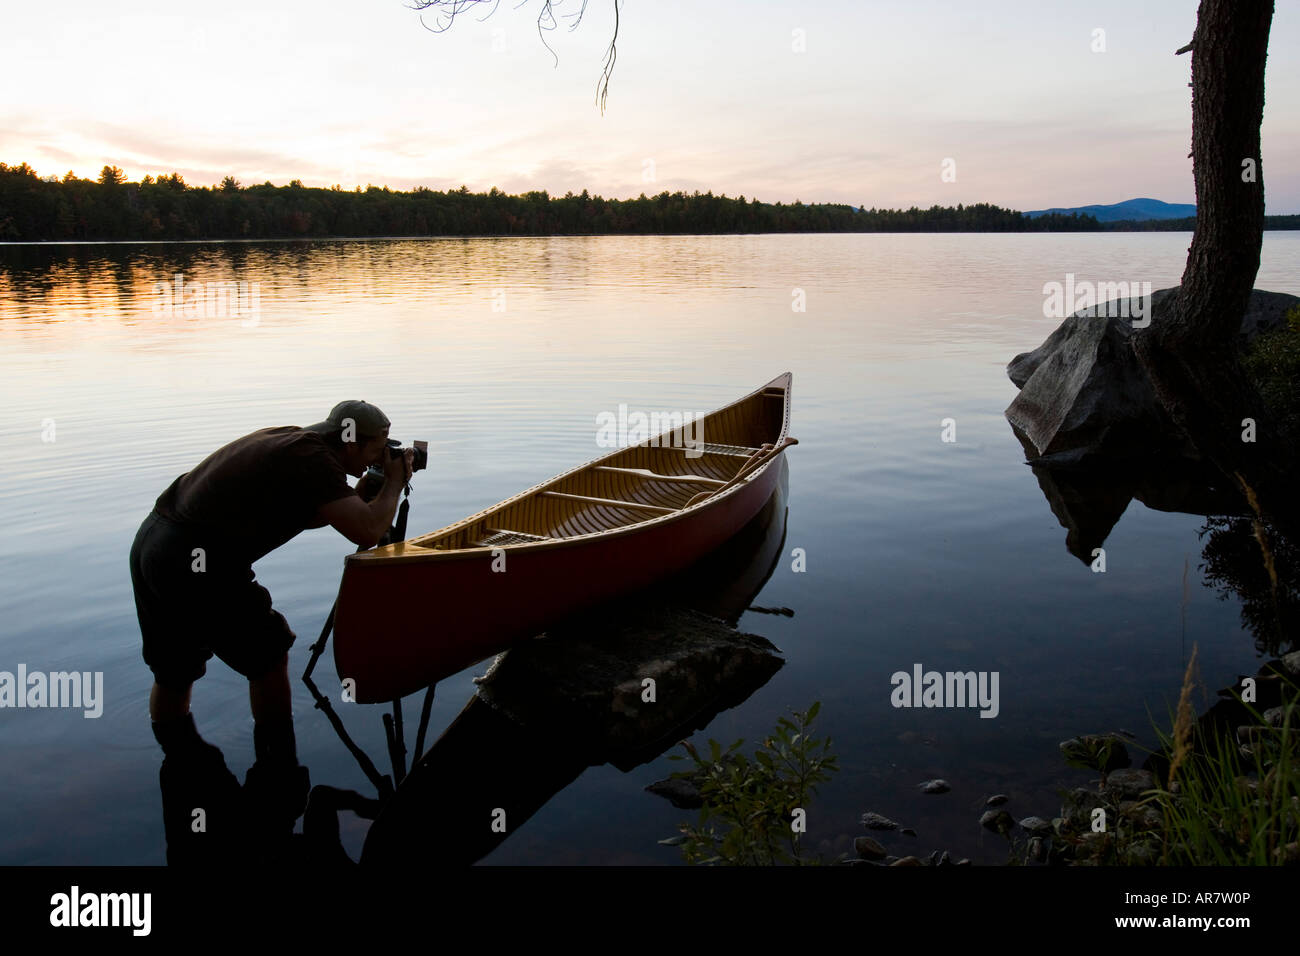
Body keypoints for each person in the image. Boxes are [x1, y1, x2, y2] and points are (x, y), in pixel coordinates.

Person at [129, 400, 414, 821]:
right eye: (379, 448)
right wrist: (393, 484)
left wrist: (362, 495)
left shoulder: (298, 443)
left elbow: (319, 509)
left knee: (175, 669)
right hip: (198, 559)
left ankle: (177, 756)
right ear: (351, 443)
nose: (383, 456)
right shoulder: (312, 459)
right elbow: (368, 531)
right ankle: (277, 768)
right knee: (269, 654)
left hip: (155, 546)